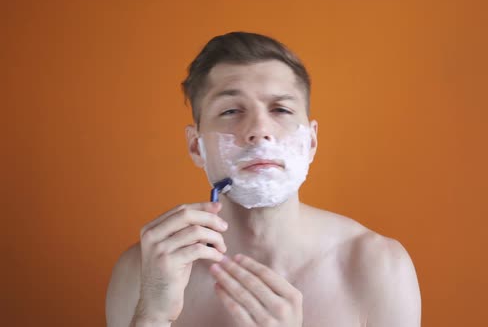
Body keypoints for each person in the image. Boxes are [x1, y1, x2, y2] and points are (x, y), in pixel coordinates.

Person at [106, 31, 421, 327]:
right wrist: (150, 317)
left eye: (281, 109)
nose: (259, 130)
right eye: (231, 111)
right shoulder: (145, 271)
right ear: (196, 146)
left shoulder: (378, 266)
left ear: (311, 142)